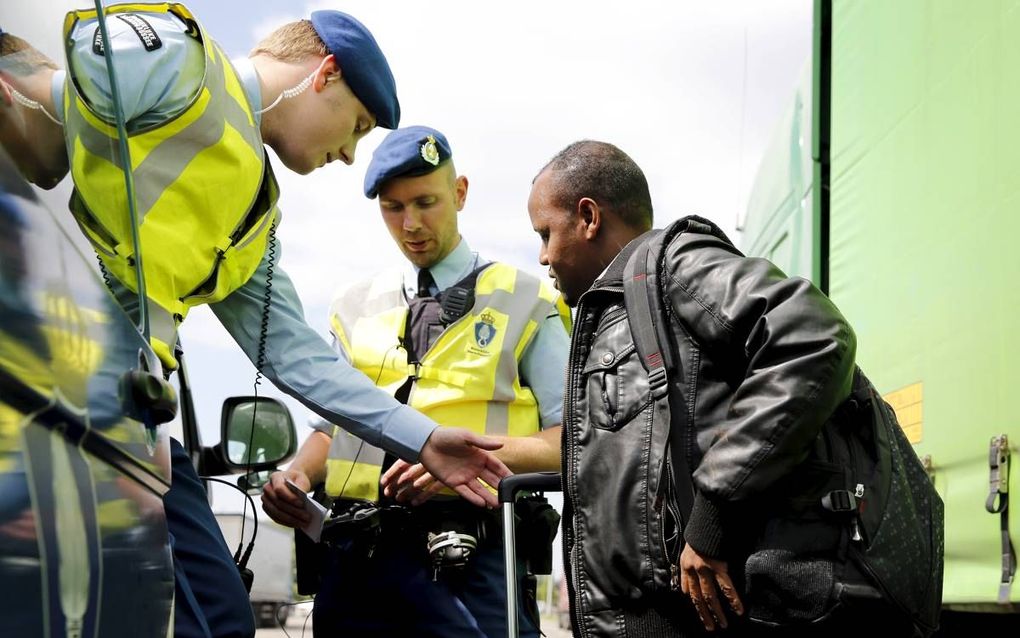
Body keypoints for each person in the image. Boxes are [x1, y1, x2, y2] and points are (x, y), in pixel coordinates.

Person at [0, 7, 510, 637]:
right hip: (55, 405)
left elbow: (297, 355)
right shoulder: (176, 64)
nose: (350, 155)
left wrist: (425, 439)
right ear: (323, 73)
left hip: (129, 425)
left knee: (221, 615)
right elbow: (70, 81)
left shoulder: (251, 212)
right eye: (356, 125)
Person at [526, 140, 863, 637]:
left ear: (588, 217)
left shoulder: (674, 266)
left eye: (546, 233)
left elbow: (811, 337)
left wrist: (711, 522)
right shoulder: (616, 309)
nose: (542, 257)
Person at [261, 125, 571, 637]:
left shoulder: (527, 300)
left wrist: (461, 461)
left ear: (460, 192)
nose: (411, 224)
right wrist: (296, 478)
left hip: (469, 559)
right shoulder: (353, 305)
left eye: (425, 202)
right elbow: (329, 430)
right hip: (355, 561)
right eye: (393, 207)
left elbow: (573, 444)